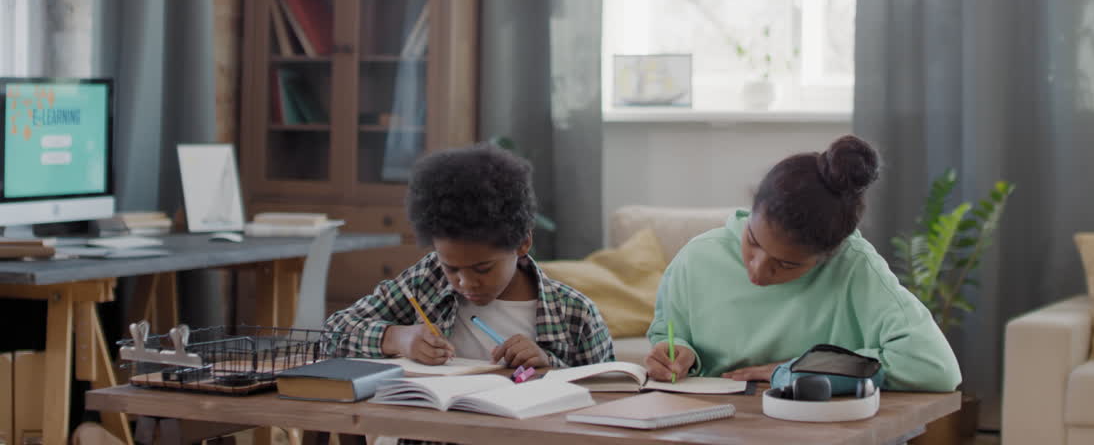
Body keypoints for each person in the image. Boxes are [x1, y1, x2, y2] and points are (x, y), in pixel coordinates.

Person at [643, 134, 961, 391]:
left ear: (830, 254)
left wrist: (805, 369)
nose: (757, 270)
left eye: (785, 265)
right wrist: (678, 354)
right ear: (751, 211)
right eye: (752, 241)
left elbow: (936, 367)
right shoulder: (697, 258)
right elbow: (669, 334)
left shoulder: (855, 268)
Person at [325, 143, 613, 369]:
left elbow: (612, 396)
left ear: (523, 243)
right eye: (452, 268)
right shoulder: (428, 280)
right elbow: (331, 335)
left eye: (482, 268)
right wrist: (398, 338)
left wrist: (551, 367)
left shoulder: (576, 315)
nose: (465, 282)